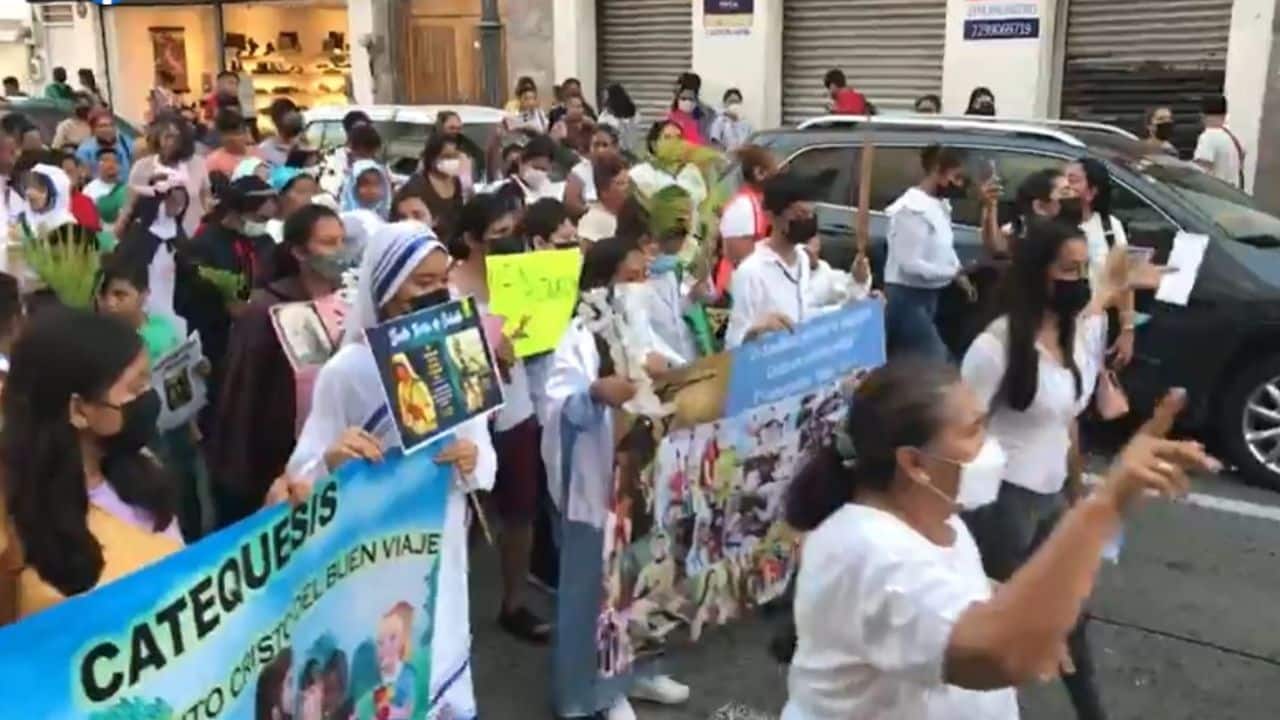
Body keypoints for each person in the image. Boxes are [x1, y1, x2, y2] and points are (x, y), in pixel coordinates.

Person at [781, 352, 1216, 720]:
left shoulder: (940, 521)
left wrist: (1027, 611)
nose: (990, 445)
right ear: (914, 463)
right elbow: (999, 653)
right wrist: (1103, 506)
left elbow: (961, 595)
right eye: (974, 430)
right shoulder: (867, 550)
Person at [281, 221, 496, 720]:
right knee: (386, 669)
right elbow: (302, 473)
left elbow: (484, 457)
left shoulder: (457, 354)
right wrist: (334, 460)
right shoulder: (346, 372)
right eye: (422, 282)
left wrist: (472, 460)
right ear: (385, 285)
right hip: (373, 548)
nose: (436, 292)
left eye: (442, 280)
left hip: (443, 537)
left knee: (441, 654)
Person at [959, 218, 1154, 720]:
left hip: (1051, 501)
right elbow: (958, 430)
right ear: (1036, 273)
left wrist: (1075, 488)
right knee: (1005, 630)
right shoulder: (996, 346)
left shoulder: (1074, 334)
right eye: (1068, 270)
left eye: (1082, 269)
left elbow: (1068, 421)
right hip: (1002, 505)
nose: (1078, 281)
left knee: (1071, 616)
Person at [542, 234, 690, 720]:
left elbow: (681, 378)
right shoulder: (578, 337)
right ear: (602, 284)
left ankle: (641, 671)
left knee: (646, 581)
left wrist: (669, 373)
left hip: (647, 481)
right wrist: (594, 394)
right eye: (631, 277)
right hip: (599, 486)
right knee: (594, 594)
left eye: (644, 276)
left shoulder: (639, 328)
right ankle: (592, 694)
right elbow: (557, 408)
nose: (641, 284)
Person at [0, 308, 184, 623]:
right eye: (134, 388)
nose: (148, 397)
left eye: (148, 381)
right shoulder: (18, 524)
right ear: (79, 410)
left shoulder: (141, 467)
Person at [447, 192, 552, 643]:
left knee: (521, 511)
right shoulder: (450, 287)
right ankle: (450, 608)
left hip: (517, 407)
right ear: (472, 239)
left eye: (514, 233)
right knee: (467, 515)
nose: (508, 243)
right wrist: (490, 354)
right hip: (470, 416)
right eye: (499, 235)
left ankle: (514, 602)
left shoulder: (523, 277)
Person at [210, 204, 356, 526]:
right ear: (299, 252)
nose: (339, 252)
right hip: (274, 451)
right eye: (327, 243)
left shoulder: (351, 303)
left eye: (342, 241)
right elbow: (243, 395)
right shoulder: (267, 309)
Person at [883, 144, 975, 361]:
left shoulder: (938, 205)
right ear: (937, 171)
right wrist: (953, 273)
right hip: (906, 298)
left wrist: (959, 274)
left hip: (929, 296)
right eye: (956, 177)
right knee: (935, 361)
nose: (959, 184)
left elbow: (944, 246)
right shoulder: (912, 209)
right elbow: (910, 265)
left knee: (913, 362)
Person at [724, 172, 825, 348]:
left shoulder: (803, 259)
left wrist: (860, 282)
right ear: (772, 216)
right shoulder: (751, 272)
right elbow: (734, 344)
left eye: (812, 214)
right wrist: (757, 331)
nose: (808, 220)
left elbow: (832, 294)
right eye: (800, 214)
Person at [1064, 158, 1134, 368]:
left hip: (1095, 328)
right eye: (1063, 179)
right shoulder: (1051, 225)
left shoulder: (1109, 227)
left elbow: (1123, 280)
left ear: (1092, 192)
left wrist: (1127, 330)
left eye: (1073, 180)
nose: (1065, 186)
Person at [117, 170, 193, 338]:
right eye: (173, 201)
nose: (178, 207)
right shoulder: (138, 236)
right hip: (145, 305)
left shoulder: (177, 233)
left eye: (182, 202)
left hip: (172, 302)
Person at [122, 116, 212, 237]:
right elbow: (129, 206)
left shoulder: (198, 163)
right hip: (152, 238)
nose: (170, 142)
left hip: (192, 236)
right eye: (167, 136)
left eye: (175, 137)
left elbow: (206, 198)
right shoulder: (141, 167)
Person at [715, 144, 777, 297]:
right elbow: (740, 257)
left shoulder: (758, 201)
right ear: (759, 173)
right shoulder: (743, 206)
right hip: (737, 290)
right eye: (773, 169)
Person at [412, 131, 466, 240]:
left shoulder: (456, 182)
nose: (452, 161)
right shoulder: (418, 186)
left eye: (455, 156)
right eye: (446, 156)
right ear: (432, 157)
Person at [564, 125, 622, 218]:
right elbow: (571, 204)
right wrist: (595, 212)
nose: (600, 150)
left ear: (615, 148)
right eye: (596, 145)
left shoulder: (624, 172)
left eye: (605, 145)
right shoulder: (579, 171)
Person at [803, 233, 872, 309]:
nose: (806, 249)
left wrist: (859, 279)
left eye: (807, 242)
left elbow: (854, 292)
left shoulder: (825, 275)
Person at [577, 152, 630, 246]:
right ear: (604, 190)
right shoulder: (591, 221)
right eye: (621, 184)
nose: (627, 188)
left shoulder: (632, 213)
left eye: (628, 182)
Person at [1194, 94, 1245, 188]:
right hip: (1232, 193)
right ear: (1225, 115)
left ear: (1202, 115)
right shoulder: (1233, 138)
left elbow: (1202, 171)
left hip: (1214, 193)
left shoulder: (1207, 137)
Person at [317, 109, 373, 197]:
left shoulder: (374, 158)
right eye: (359, 130)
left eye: (367, 130)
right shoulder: (332, 157)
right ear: (348, 132)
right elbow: (328, 188)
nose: (364, 134)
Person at [498, 133, 557, 204]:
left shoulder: (550, 190)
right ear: (521, 161)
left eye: (543, 170)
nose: (539, 173)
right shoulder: (506, 192)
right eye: (536, 167)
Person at [76, 108, 134, 177]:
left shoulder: (126, 143)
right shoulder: (84, 150)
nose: (108, 129)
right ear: (93, 129)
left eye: (111, 125)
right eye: (102, 126)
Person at [206, 109, 261, 178]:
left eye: (236, 133)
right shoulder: (213, 161)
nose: (232, 138)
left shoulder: (258, 152)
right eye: (227, 134)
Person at [84, 147, 127, 229]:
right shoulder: (89, 190)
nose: (111, 164)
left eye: (115, 161)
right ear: (98, 165)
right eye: (106, 160)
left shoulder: (126, 189)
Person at [340, 157, 393, 222]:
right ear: (353, 187)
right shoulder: (344, 219)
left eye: (376, 184)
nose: (371, 189)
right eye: (365, 184)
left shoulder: (389, 218)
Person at [598, 83, 640, 154]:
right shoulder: (605, 115)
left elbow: (633, 134)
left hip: (629, 151)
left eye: (607, 98)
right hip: (612, 152)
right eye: (604, 98)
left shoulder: (632, 113)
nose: (604, 101)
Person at [708, 88, 752, 152]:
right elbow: (715, 142)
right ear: (725, 103)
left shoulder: (747, 124)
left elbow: (753, 143)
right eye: (731, 101)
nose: (734, 104)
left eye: (737, 102)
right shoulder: (719, 121)